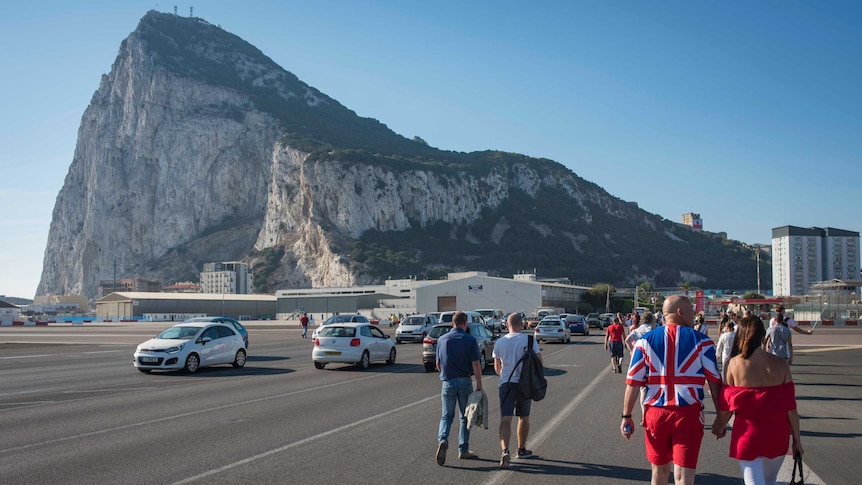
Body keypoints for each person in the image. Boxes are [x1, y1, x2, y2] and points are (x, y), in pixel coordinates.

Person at [620, 295, 722, 485]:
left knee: (659, 472)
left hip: (655, 415)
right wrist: (720, 418)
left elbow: (633, 383)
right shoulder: (703, 343)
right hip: (688, 415)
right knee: (684, 476)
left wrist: (626, 416)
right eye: (691, 312)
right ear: (680, 312)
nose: (694, 316)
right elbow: (715, 384)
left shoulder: (644, 342)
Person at [712, 315, 803, 485]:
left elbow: (726, 407)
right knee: (770, 481)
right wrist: (797, 441)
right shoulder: (781, 365)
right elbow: (791, 408)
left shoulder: (733, 365)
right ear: (763, 337)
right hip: (777, 436)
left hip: (747, 436)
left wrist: (719, 427)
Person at [493, 312, 543, 469]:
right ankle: (521, 449)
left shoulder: (500, 342)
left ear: (507, 325)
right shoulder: (529, 340)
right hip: (524, 384)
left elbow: (497, 368)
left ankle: (504, 451)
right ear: (521, 325)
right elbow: (539, 362)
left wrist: (506, 373)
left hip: (506, 384)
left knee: (506, 419)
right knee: (523, 417)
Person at [435, 311, 483, 466]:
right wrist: (479, 385)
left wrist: (445, 374)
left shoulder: (442, 339)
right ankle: (463, 449)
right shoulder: (470, 340)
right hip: (464, 380)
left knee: (446, 416)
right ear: (465, 323)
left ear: (452, 323)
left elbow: (438, 364)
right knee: (465, 417)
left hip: (447, 381)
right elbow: (476, 363)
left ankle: (443, 439)